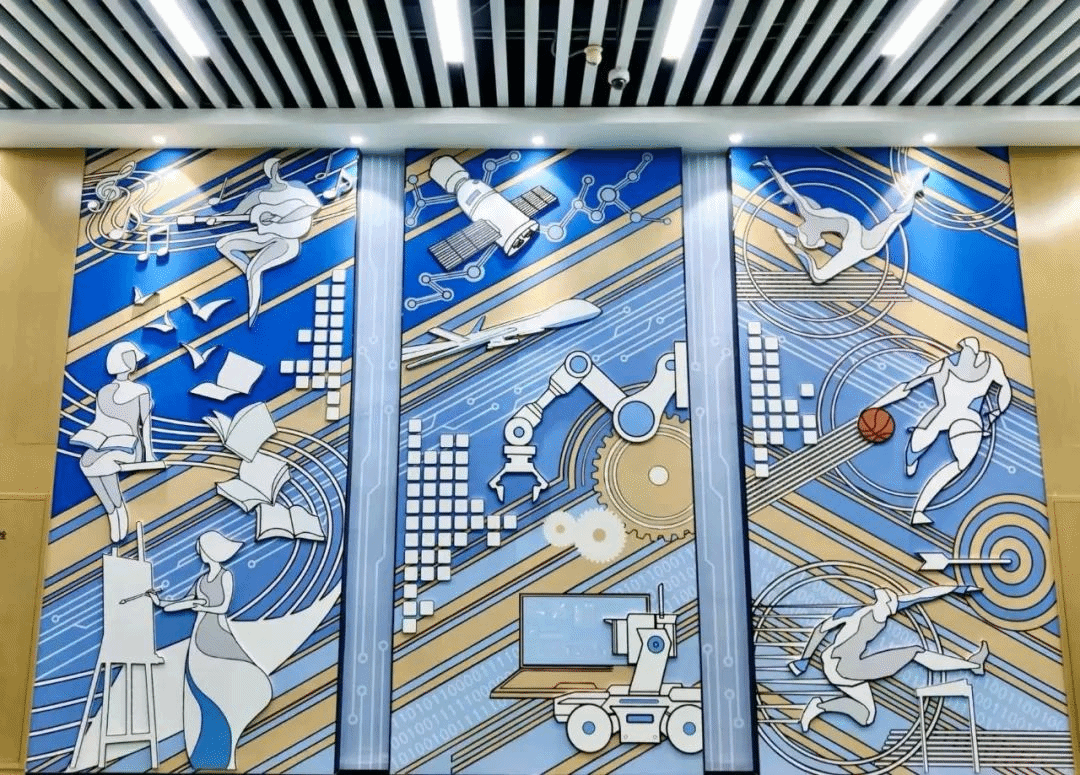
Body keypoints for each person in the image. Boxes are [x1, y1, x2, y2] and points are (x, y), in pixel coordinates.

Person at [150, 531, 272, 771]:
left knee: (228, 687)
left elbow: (223, 606)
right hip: (199, 639)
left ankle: (229, 747)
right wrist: (161, 602)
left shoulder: (225, 576)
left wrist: (201, 605)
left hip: (218, 636)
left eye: (202, 548)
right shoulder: (201, 581)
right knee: (200, 691)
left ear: (210, 551)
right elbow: (183, 603)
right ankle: (211, 756)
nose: (199, 552)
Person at [790, 585, 989, 731]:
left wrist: (955, 589)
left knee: (866, 715)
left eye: (892, 606)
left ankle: (819, 706)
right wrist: (803, 660)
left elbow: (922, 595)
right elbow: (820, 629)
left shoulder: (864, 611)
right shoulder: (859, 613)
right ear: (880, 602)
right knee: (914, 652)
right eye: (889, 605)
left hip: (842, 669)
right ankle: (972, 665)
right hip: (845, 667)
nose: (892, 610)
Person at [873, 336, 1011, 525]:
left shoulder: (992, 363)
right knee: (915, 449)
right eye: (966, 349)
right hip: (942, 415)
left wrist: (994, 414)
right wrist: (875, 406)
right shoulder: (942, 365)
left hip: (969, 418)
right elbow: (907, 387)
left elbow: (1005, 388)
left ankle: (919, 510)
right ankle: (911, 460)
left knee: (962, 463)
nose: (970, 354)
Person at [752, 155, 928, 284]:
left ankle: (915, 187)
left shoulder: (809, 211)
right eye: (803, 234)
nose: (800, 229)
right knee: (899, 216)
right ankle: (914, 189)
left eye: (801, 232)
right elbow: (817, 276)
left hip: (862, 240)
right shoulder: (812, 214)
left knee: (899, 216)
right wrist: (791, 244)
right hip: (866, 245)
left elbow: (787, 188)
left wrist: (769, 167)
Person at [215, 157, 320, 326]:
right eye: (270, 170)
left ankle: (252, 314)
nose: (272, 173)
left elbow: (313, 206)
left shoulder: (296, 188)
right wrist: (216, 220)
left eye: (274, 168)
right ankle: (248, 271)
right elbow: (236, 213)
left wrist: (282, 219)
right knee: (224, 244)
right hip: (267, 235)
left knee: (255, 270)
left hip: (288, 242)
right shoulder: (259, 194)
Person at [71, 341, 155, 543]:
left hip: (130, 447)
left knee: (105, 464)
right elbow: (99, 423)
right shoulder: (103, 392)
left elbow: (145, 424)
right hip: (108, 444)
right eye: (131, 357)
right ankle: (111, 509)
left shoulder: (141, 391)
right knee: (85, 462)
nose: (135, 361)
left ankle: (118, 509)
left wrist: (149, 454)